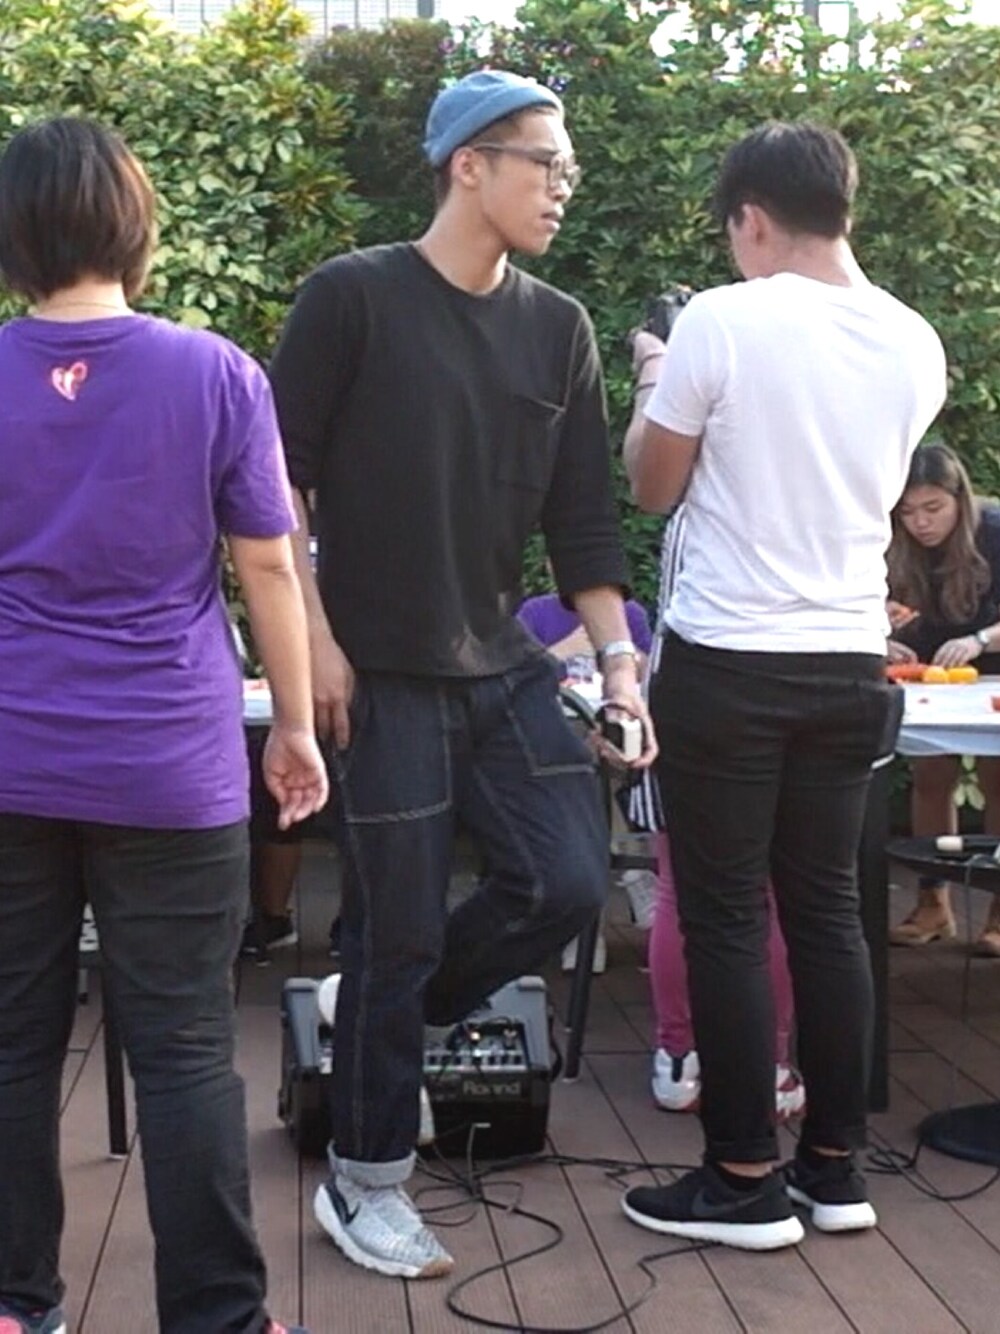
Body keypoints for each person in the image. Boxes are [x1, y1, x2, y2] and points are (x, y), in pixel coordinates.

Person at [269, 68, 655, 1280]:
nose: (562, 185)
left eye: (569, 167)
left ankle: (388, 1013)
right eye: (545, 162)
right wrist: (312, 638)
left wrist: (620, 666)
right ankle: (366, 1179)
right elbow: (273, 482)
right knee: (390, 927)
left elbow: (584, 524)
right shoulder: (353, 296)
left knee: (565, 877)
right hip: (378, 668)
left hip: (500, 665)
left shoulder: (559, 327)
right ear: (468, 164)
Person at [0, 117, 326, 1334]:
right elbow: (269, 565)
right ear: (135, 224)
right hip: (167, 761)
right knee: (186, 1046)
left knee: (11, 1042)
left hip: (10, 754)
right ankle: (218, 1318)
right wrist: (295, 725)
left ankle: (16, 1304)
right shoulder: (213, 372)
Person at [620, 121, 946, 1250]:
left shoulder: (721, 319)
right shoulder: (914, 340)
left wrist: (655, 374)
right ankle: (834, 1171)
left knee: (722, 913)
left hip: (728, 658)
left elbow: (652, 484)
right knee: (827, 913)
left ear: (750, 219)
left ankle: (742, 1177)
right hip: (850, 656)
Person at [635, 515, 803, 1117]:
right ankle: (770, 1061)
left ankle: (680, 1054)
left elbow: (673, 620)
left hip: (694, 703)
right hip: (801, 700)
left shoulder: (694, 515)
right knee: (774, 895)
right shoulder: (813, 504)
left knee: (679, 889)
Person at [886, 442, 1000, 955]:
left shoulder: (993, 530)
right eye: (909, 511)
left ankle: (998, 910)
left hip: (993, 668)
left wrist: (981, 640)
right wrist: (881, 632)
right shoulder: (892, 542)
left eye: (933, 508)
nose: (921, 523)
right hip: (929, 672)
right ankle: (933, 902)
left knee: (998, 777)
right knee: (931, 774)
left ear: (960, 499)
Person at [517, 587, 655, 970]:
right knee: (586, 776)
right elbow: (518, 673)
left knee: (604, 769)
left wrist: (622, 654)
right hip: (552, 739)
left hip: (613, 735)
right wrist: (568, 647)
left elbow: (649, 673)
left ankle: (586, 933)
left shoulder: (628, 613)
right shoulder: (536, 612)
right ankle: (633, 878)